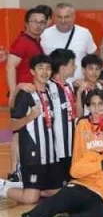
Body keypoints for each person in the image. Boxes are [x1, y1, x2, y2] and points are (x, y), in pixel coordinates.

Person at [11, 119, 103, 217]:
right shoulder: (94, 155)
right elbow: (74, 171)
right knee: (61, 199)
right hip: (83, 188)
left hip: (101, 200)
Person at [0, 55, 70, 205]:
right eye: (40, 68)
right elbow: (13, 126)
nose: (44, 72)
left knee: (59, 193)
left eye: (48, 68)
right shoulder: (26, 94)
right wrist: (30, 116)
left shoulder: (51, 92)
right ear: (32, 71)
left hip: (51, 155)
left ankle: (28, 186)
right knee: (30, 199)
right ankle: (2, 187)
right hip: (33, 157)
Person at [40, 3, 97, 80]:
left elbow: (94, 58)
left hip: (78, 83)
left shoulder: (84, 33)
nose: (63, 21)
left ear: (74, 17)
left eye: (67, 17)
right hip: (51, 84)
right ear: (54, 17)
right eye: (59, 17)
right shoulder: (44, 34)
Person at [8, 6, 50, 108]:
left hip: (32, 92)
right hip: (23, 94)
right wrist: (13, 92)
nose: (38, 25)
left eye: (42, 22)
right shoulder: (22, 42)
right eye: (34, 21)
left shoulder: (35, 42)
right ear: (26, 24)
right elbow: (10, 66)